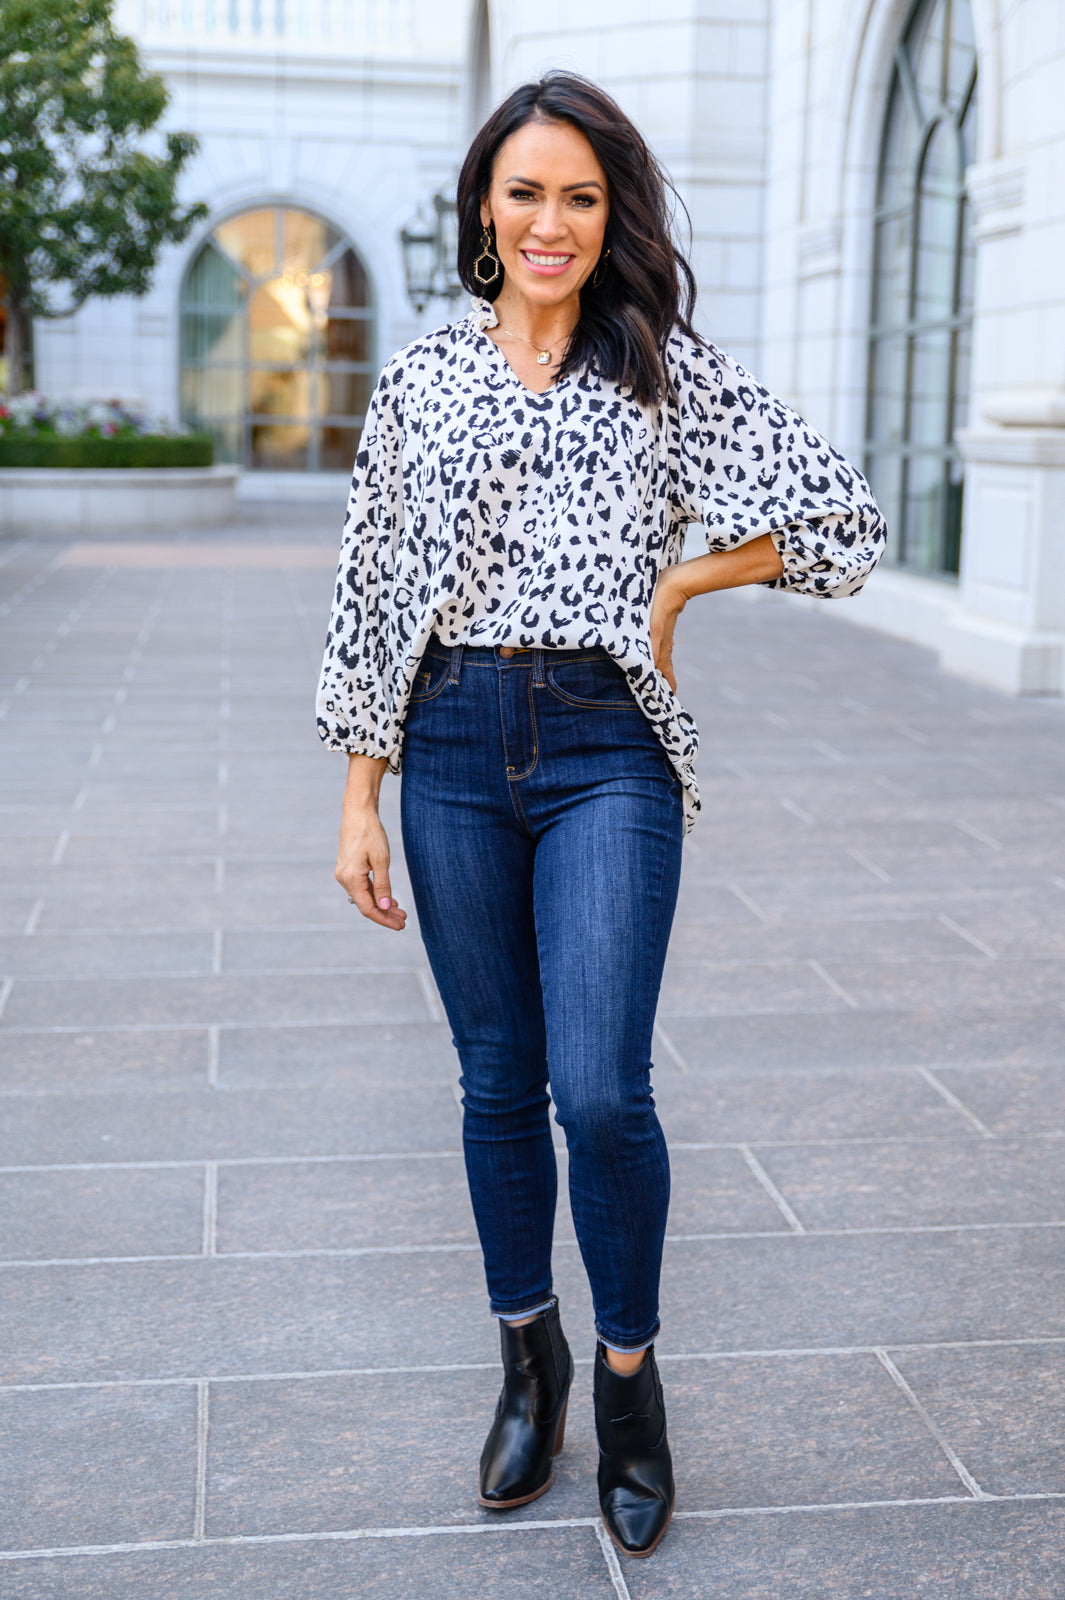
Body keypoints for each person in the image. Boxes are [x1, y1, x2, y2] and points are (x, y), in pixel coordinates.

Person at [318, 72, 885, 1559]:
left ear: (609, 211)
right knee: (496, 1081)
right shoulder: (421, 379)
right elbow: (370, 597)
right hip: (441, 740)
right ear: (483, 211)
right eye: (525, 193)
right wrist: (358, 796)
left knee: (599, 1091)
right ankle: (530, 1359)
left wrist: (685, 582)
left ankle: (627, 1383)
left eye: (580, 195)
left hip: (603, 745)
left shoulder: (661, 367)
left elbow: (843, 519)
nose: (551, 222)